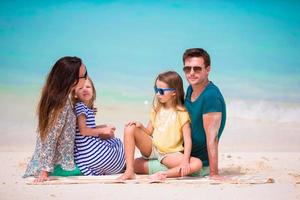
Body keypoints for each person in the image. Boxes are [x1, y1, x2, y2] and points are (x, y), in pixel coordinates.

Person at [135, 48, 226, 180]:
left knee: (136, 165)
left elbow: (212, 138)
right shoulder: (190, 89)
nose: (191, 73)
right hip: (176, 154)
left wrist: (214, 173)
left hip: (195, 164)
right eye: (187, 69)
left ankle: (164, 173)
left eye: (197, 69)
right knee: (136, 163)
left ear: (207, 69)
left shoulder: (211, 96)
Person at [118, 71, 202, 181]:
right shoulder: (156, 109)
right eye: (156, 90)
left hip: (169, 154)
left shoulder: (181, 113)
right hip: (153, 148)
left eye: (161, 91)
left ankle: (164, 174)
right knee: (130, 128)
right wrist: (140, 126)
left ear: (174, 92)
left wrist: (185, 161)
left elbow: (188, 139)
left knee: (197, 163)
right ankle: (129, 171)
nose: (158, 94)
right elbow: (149, 132)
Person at [23, 56, 88, 182]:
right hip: (59, 166)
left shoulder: (59, 98)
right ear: (73, 80)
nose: (86, 78)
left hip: (53, 163)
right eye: (84, 75)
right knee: (100, 165)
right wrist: (45, 172)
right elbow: (50, 137)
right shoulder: (60, 104)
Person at [72, 77, 125, 175]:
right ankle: (121, 166)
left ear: (93, 91)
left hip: (85, 156)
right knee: (117, 144)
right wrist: (102, 130)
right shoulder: (80, 107)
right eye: (80, 88)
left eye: (88, 87)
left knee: (110, 138)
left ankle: (116, 167)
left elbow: (85, 129)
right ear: (75, 94)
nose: (85, 89)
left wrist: (103, 127)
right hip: (89, 152)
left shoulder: (85, 108)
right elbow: (83, 130)